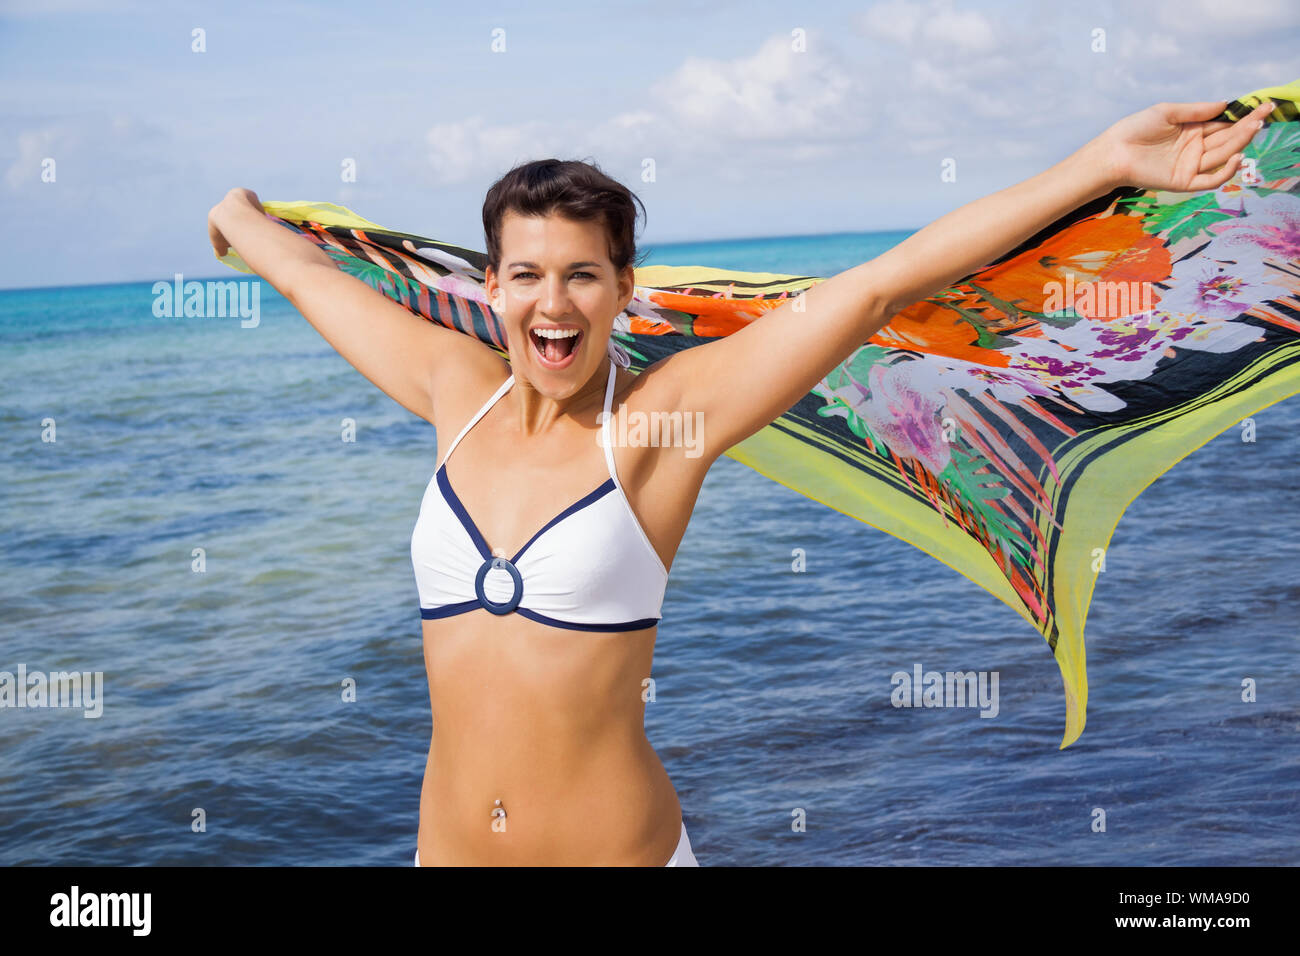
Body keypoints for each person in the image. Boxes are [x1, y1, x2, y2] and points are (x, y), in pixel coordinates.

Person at [206, 97, 1271, 866]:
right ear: (492, 287)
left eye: (583, 272)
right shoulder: (453, 389)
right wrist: (241, 220)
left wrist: (1098, 164)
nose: (553, 301)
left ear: (624, 287)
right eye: (527, 272)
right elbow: (305, 273)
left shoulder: (667, 421)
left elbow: (876, 289)